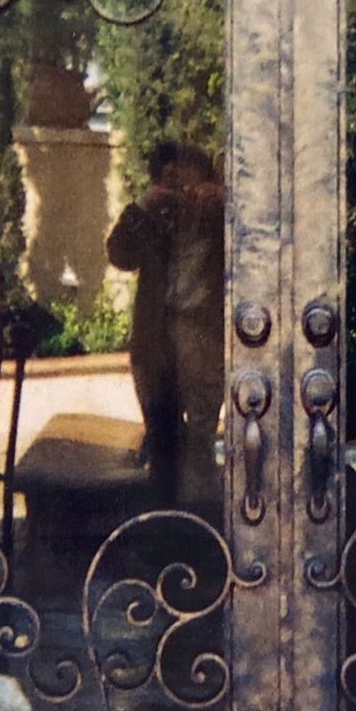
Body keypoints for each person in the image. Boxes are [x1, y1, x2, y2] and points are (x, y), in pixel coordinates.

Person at [106, 142, 225, 505]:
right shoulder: (155, 215)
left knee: (201, 442)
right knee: (162, 440)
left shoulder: (217, 216)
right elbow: (120, 254)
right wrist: (143, 207)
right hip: (155, 341)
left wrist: (225, 201)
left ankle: (201, 528)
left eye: (189, 174)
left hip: (202, 335)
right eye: (171, 178)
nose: (183, 188)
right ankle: (164, 534)